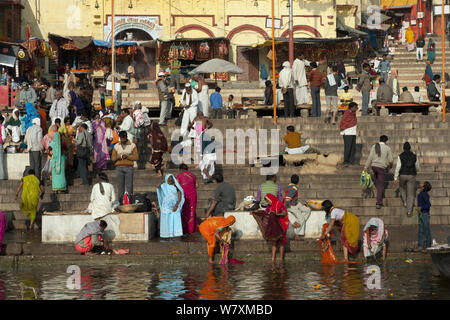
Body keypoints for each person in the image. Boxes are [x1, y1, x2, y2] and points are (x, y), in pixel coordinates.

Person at [251, 194, 289, 263]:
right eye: (267, 201)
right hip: (274, 225)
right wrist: (255, 213)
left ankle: (281, 259)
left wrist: (276, 214)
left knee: (281, 243)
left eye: (268, 201)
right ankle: (273, 259)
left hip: (281, 225)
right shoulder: (269, 206)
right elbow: (265, 213)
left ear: (271, 199)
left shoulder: (278, 203)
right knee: (274, 242)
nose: (268, 203)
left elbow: (284, 213)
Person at [364, 135, 394, 209]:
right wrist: (390, 165)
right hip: (381, 168)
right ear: (386, 141)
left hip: (374, 167)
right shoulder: (387, 148)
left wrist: (366, 167)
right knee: (380, 185)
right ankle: (379, 202)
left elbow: (370, 157)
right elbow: (391, 160)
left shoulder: (374, 146)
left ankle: (379, 194)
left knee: (378, 182)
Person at [111, 131, 138, 202]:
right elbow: (113, 158)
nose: (122, 140)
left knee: (129, 187)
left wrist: (128, 157)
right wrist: (118, 157)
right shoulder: (116, 146)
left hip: (129, 168)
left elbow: (136, 157)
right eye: (121, 138)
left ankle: (130, 202)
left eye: (124, 138)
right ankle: (120, 203)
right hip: (119, 168)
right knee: (120, 188)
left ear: (126, 137)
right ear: (120, 138)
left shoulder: (132, 145)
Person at [394, 142, 420, 217]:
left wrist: (395, 177)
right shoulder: (414, 156)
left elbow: (398, 167)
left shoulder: (400, 156)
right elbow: (417, 166)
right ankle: (409, 211)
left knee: (402, 187)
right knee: (411, 194)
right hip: (411, 175)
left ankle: (405, 201)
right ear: (410, 148)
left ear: (403, 148)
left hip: (402, 175)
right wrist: (415, 171)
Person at [157, 174, 185, 238]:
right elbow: (157, 186)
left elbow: (179, 196)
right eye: (168, 179)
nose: (170, 180)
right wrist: (162, 181)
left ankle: (175, 233)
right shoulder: (164, 186)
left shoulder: (176, 186)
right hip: (165, 206)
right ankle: (166, 234)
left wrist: (176, 205)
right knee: (166, 219)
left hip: (174, 206)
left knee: (174, 219)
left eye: (171, 179)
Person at [284, 174, 311, 241]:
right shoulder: (294, 188)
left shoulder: (288, 186)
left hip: (296, 203)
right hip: (292, 205)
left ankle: (297, 222)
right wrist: (287, 208)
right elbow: (287, 198)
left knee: (307, 210)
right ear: (298, 181)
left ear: (291, 180)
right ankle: (297, 234)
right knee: (302, 219)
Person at [176, 164, 199, 235]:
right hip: (193, 195)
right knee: (192, 211)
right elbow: (197, 186)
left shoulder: (179, 175)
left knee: (184, 212)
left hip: (184, 196)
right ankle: (192, 229)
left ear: (180, 169)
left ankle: (185, 229)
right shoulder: (193, 175)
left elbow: (176, 185)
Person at [340, 102, 358, 167]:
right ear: (351, 107)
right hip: (347, 133)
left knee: (353, 148)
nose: (356, 109)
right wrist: (342, 132)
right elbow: (343, 122)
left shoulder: (353, 113)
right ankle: (346, 161)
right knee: (348, 148)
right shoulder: (347, 113)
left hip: (353, 132)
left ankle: (351, 161)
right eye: (355, 107)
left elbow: (354, 121)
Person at [417, 181, 432, 251]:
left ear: (423, 187)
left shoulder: (424, 194)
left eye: (422, 183)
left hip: (425, 214)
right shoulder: (420, 193)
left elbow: (428, 205)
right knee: (420, 230)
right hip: (420, 214)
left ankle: (428, 246)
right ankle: (420, 246)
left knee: (426, 230)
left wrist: (421, 207)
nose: (420, 183)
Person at [0, 115, 6, 180]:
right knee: (1, 162)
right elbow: (4, 137)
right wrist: (2, 142)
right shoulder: (1, 127)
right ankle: (1, 177)